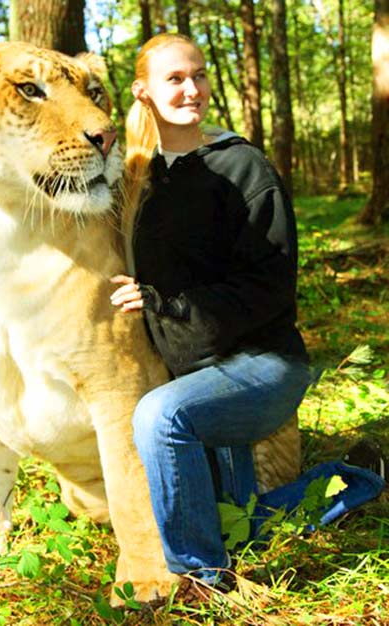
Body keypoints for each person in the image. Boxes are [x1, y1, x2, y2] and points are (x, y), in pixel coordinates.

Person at [110, 32, 386, 596]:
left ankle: (200, 577)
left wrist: (167, 306)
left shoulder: (242, 166)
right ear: (143, 92)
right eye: (175, 79)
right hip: (198, 373)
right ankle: (357, 478)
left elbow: (271, 289)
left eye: (199, 75)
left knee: (159, 418)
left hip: (262, 366)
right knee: (241, 520)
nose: (192, 89)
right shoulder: (139, 179)